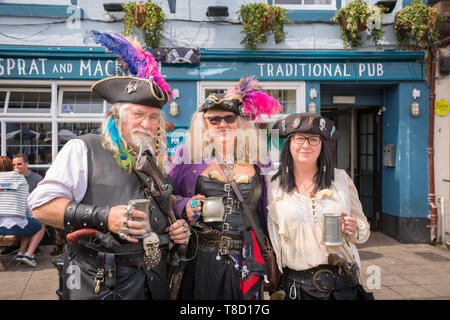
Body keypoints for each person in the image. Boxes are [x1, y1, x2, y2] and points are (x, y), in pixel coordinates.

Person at [28, 31, 189, 300]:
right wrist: (105, 216)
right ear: (117, 117)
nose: (147, 124)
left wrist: (174, 231)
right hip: (101, 283)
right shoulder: (84, 148)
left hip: (153, 282)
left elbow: (160, 215)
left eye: (153, 117)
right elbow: (40, 207)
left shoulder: (154, 159)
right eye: (138, 115)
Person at [169, 76, 282, 300]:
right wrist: (184, 206)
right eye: (214, 120)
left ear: (240, 123)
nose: (222, 125)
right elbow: (166, 194)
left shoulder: (260, 159)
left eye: (229, 118)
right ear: (205, 124)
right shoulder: (188, 157)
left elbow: (271, 207)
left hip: (248, 258)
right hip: (201, 257)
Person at [267, 112, 374, 300]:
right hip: (297, 289)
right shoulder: (272, 185)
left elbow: (362, 229)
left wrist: (354, 227)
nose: (306, 145)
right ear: (289, 144)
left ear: (322, 144)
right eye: (299, 138)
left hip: (342, 287)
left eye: (314, 139)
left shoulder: (340, 179)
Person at [0, 156, 46, 267]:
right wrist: (32, 215)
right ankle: (29, 254)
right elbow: (28, 203)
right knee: (39, 226)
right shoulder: (19, 180)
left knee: (27, 222)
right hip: (14, 224)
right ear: (10, 167)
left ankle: (21, 253)